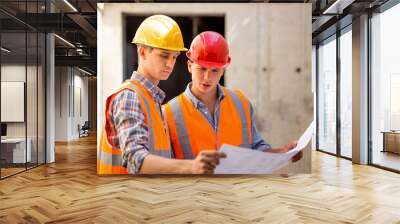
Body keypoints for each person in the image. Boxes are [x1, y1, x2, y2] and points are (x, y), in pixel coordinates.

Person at [97, 16, 225, 175]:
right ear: (142, 52)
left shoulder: (152, 101)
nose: (170, 64)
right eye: (164, 56)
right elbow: (134, 159)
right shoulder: (130, 97)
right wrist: (190, 167)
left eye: (174, 57)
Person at [163, 31, 302, 163]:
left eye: (215, 70)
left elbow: (256, 148)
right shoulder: (169, 113)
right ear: (189, 66)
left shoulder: (240, 103)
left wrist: (282, 153)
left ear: (223, 71)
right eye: (202, 68)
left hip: (238, 187)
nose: (207, 77)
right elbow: (167, 166)